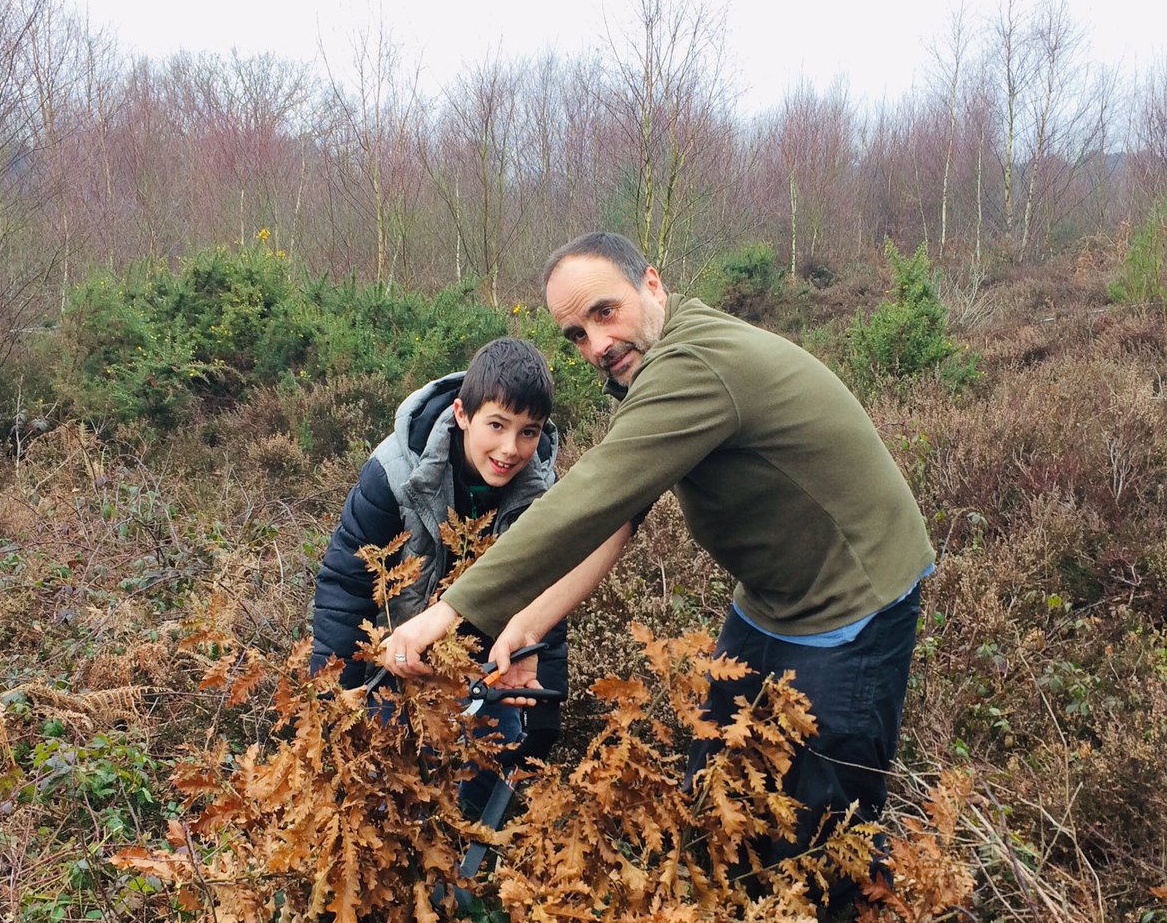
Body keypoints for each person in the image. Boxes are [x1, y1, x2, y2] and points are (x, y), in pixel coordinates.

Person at [383, 231, 935, 884]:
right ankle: (727, 917)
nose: (597, 343)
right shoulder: (661, 363)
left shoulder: (693, 366)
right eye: (577, 335)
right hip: (771, 600)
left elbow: (590, 497)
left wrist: (444, 615)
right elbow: (621, 512)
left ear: (651, 284)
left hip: (853, 597)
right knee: (717, 773)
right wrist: (525, 628)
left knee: (819, 827)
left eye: (604, 311)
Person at [309, 336, 570, 793]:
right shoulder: (392, 473)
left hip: (485, 676)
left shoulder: (544, 495)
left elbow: (546, 599)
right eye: (497, 425)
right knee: (389, 802)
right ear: (462, 414)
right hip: (394, 670)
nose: (510, 448)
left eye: (529, 431)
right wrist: (334, 696)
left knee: (482, 803)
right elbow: (346, 586)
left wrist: (543, 705)